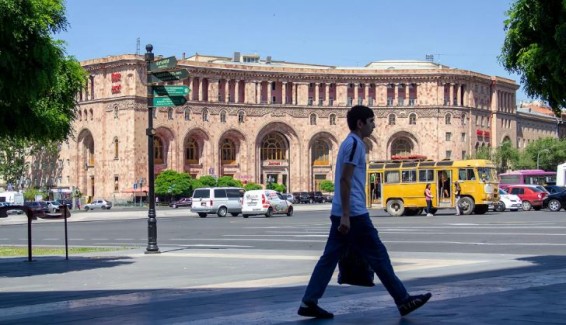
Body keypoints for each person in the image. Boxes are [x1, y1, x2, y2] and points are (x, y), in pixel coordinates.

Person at [298, 105, 431, 319]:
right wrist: (346, 216)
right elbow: (345, 179)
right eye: (371, 121)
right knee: (379, 256)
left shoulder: (350, 143)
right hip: (354, 214)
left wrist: (342, 213)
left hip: (345, 212)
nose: (374, 125)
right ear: (360, 123)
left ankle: (308, 301)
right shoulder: (354, 144)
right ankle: (403, 300)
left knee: (329, 258)